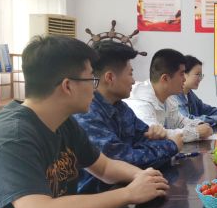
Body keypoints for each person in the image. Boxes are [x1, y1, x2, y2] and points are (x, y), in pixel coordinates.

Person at [0, 36, 170, 208]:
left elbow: (104, 168)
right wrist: (128, 194)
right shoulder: (13, 136)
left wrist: (144, 177)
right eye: (91, 80)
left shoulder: (64, 123)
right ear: (68, 86)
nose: (95, 89)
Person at [75, 41, 183, 194]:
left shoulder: (121, 108)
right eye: (130, 74)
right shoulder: (87, 114)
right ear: (110, 77)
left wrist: (159, 141)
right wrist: (171, 146)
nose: (133, 80)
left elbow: (145, 139)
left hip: (129, 191)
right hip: (97, 199)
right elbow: (123, 160)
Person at [124, 49, 213, 142]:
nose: (184, 79)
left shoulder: (168, 97)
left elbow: (179, 121)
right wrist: (196, 132)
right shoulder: (141, 103)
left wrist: (199, 124)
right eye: (182, 74)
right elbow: (157, 136)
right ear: (165, 78)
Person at [170, 55, 217, 126]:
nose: (200, 79)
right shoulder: (174, 96)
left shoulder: (189, 94)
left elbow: (206, 110)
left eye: (201, 75)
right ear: (184, 74)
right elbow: (187, 119)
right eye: (197, 74)